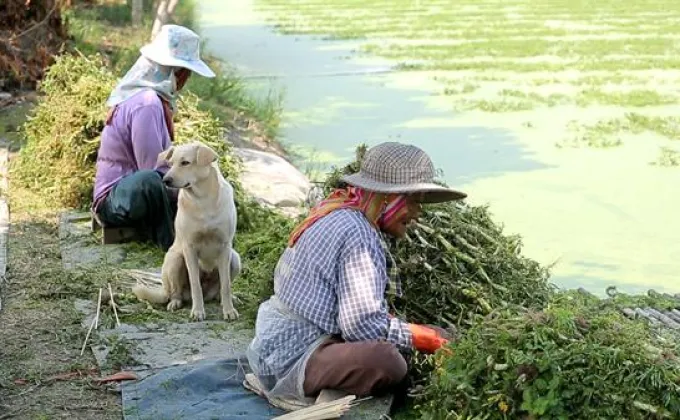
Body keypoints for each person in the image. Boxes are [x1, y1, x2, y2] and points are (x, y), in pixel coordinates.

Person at [245, 142, 468, 407]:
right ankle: (296, 392)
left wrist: (410, 331)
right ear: (388, 199)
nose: (418, 213)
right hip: (291, 356)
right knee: (388, 362)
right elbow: (360, 325)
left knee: (402, 339)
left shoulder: (339, 211)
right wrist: (422, 338)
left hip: (276, 345)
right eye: (413, 201)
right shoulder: (359, 234)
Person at [92, 24, 216, 251]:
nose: (185, 81)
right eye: (186, 73)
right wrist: (190, 191)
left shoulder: (154, 101)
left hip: (134, 196)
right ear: (175, 72)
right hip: (116, 202)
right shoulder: (146, 104)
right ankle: (171, 247)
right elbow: (153, 168)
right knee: (152, 182)